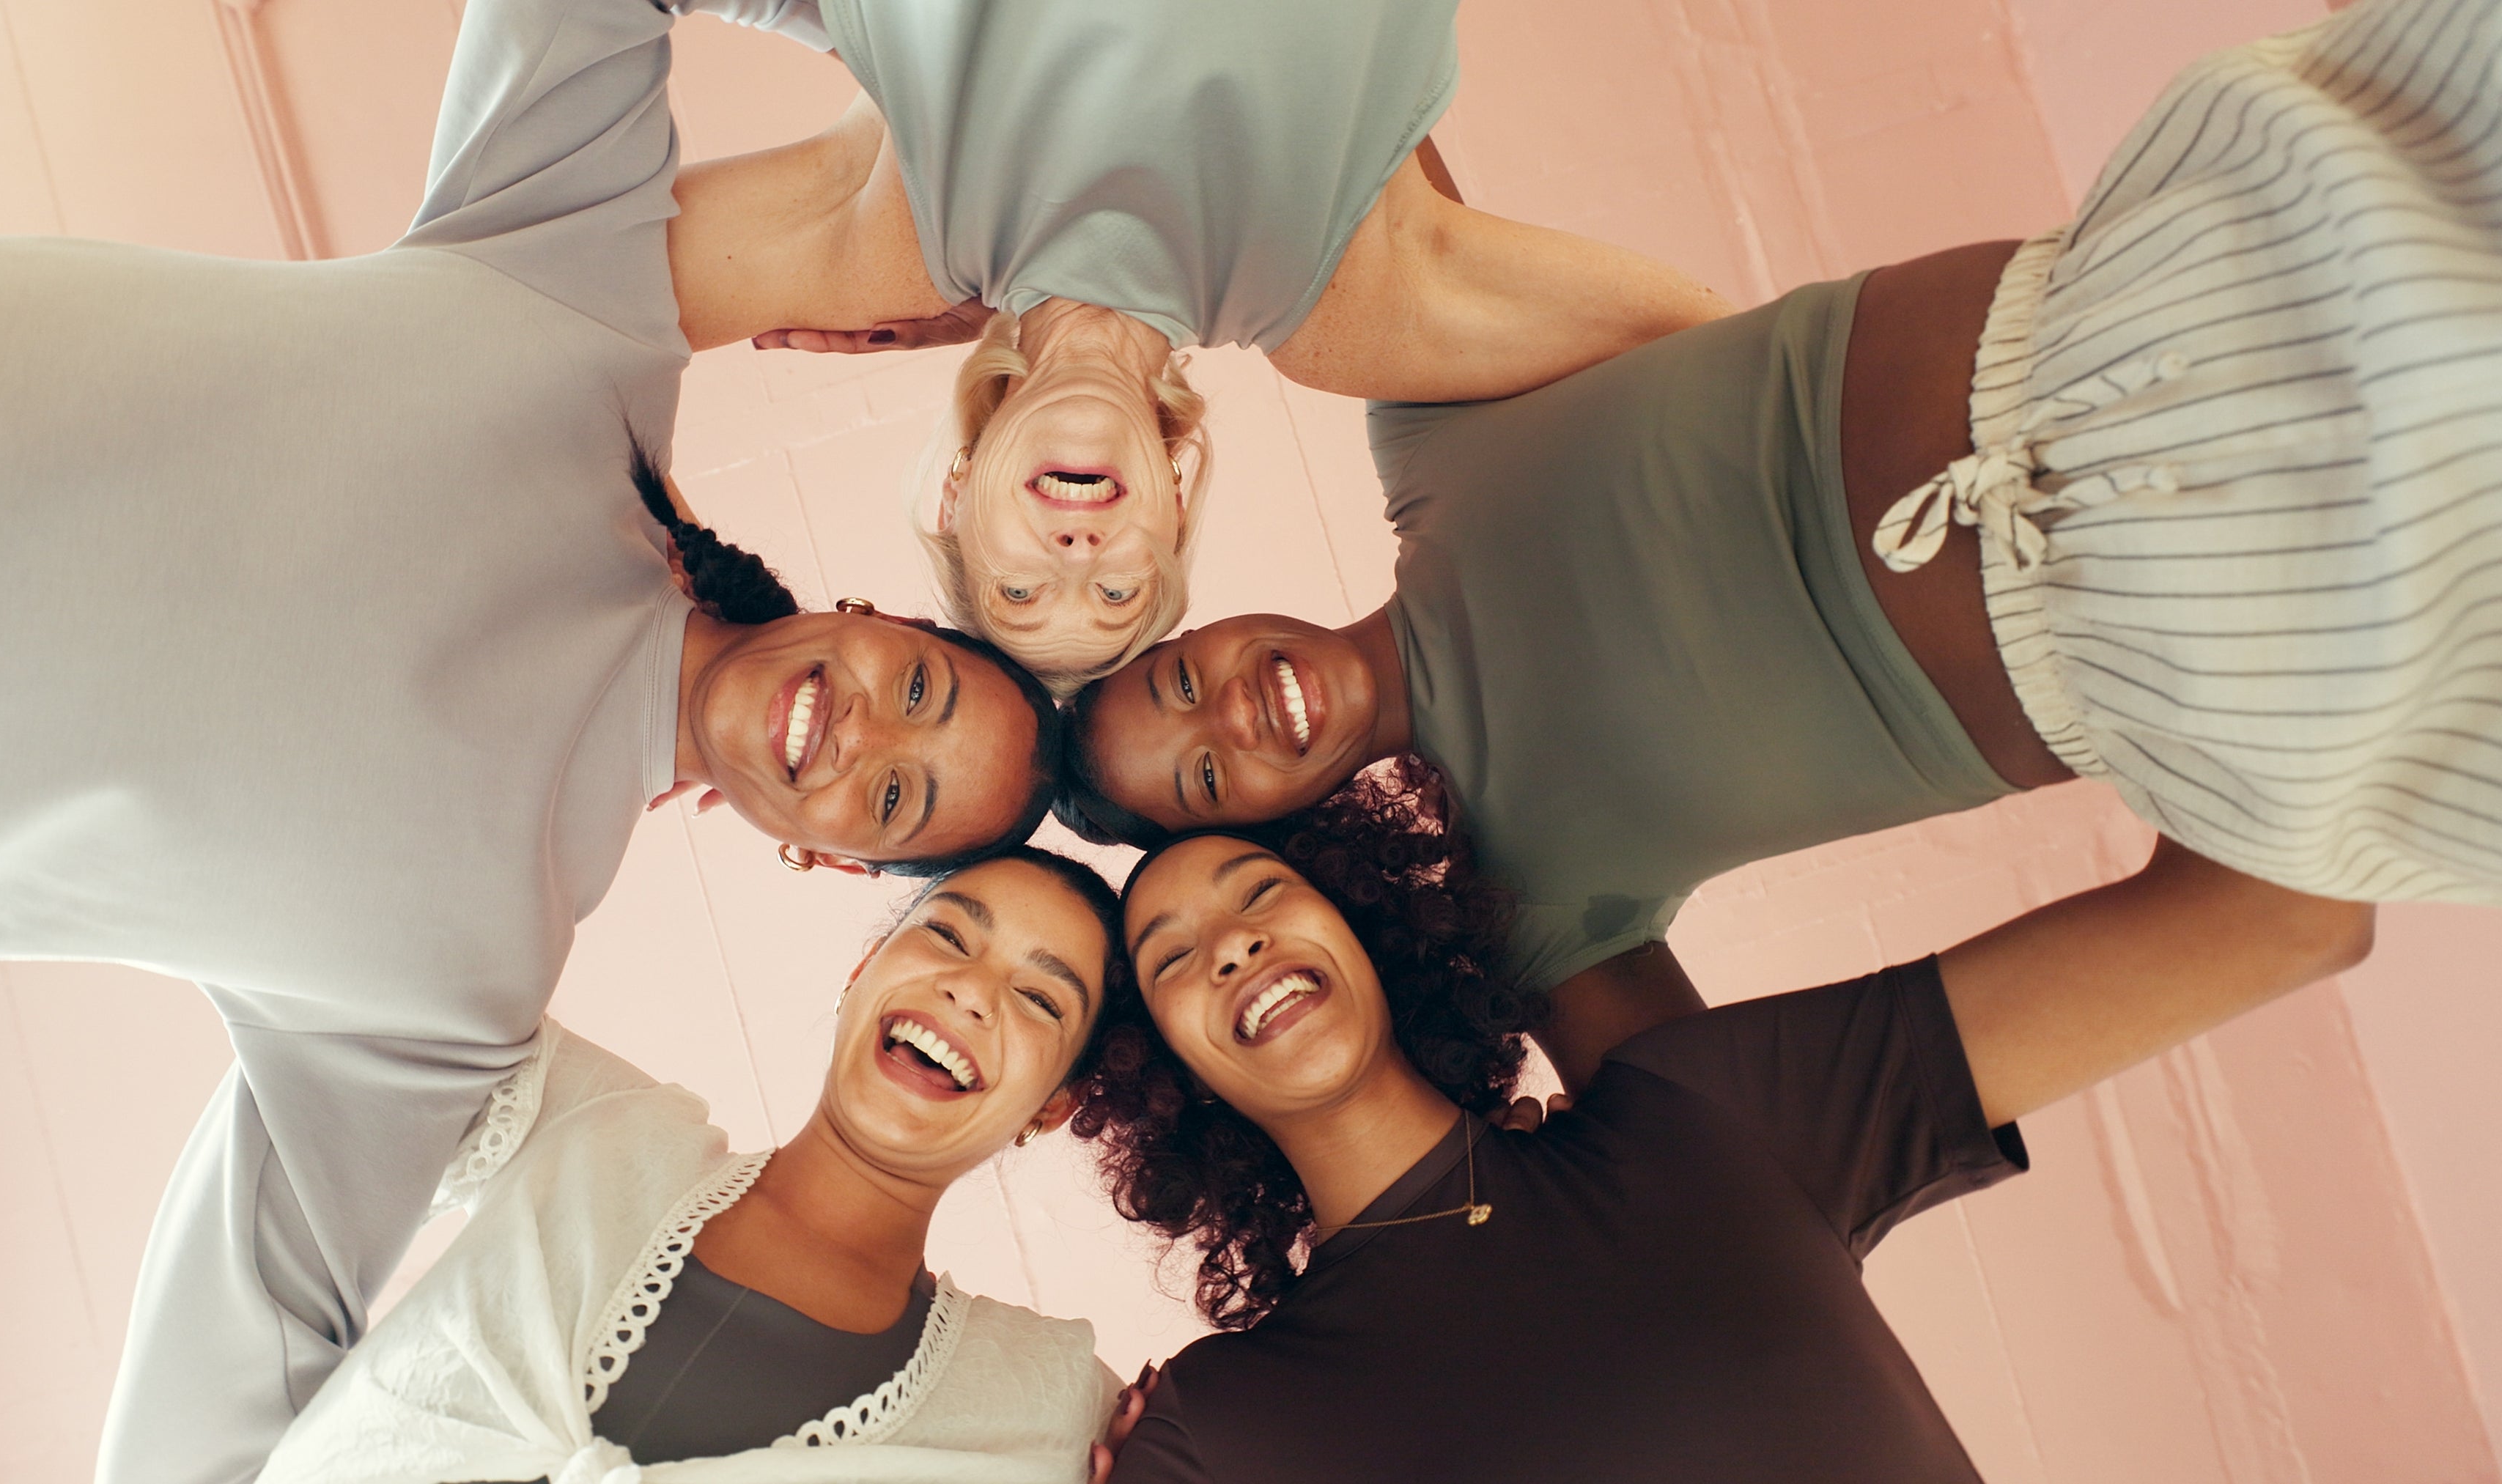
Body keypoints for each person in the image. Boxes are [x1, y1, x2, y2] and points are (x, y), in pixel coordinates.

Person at [0, 3, 1063, 1480]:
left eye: (899, 800)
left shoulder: (459, 987)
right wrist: (906, 49)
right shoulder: (579, 322)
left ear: (817, 848)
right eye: (918, 685)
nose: (864, 732)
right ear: (867, 615)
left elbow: (244, 1344)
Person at [1058, 0, 2502, 1060]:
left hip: (2191, 292)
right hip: (2236, 644)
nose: (1231, 718)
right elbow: (1699, 1171)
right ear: (1270, 832)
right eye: (1206, 781)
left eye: (1179, 680)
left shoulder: (1428, 428)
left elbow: (1328, 94)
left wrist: (1070, 280)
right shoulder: (1530, 907)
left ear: (1206, 625)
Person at [1074, 764, 2373, 1483]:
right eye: (1175, 958)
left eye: (1260, 893)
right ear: (1172, 1080)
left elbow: (2284, 915)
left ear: (1365, 923)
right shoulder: (1223, 1428)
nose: (1233, 942)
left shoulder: (1705, 1118)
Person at [668, 0, 1730, 686]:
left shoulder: (891, 238)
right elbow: (1709, 352)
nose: (1076, 561)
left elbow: (545, 303)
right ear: (1173, 505)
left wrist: (698, 619)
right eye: (1120, 593)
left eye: (1022, 592)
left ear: (958, 495)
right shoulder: (1340, 310)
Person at [258, 848, 1132, 1484]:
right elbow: (339, 946)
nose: (971, 990)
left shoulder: (1043, 1407)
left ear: (1052, 1106)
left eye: (1039, 997)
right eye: (947, 935)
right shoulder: (592, 1124)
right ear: (864, 970)